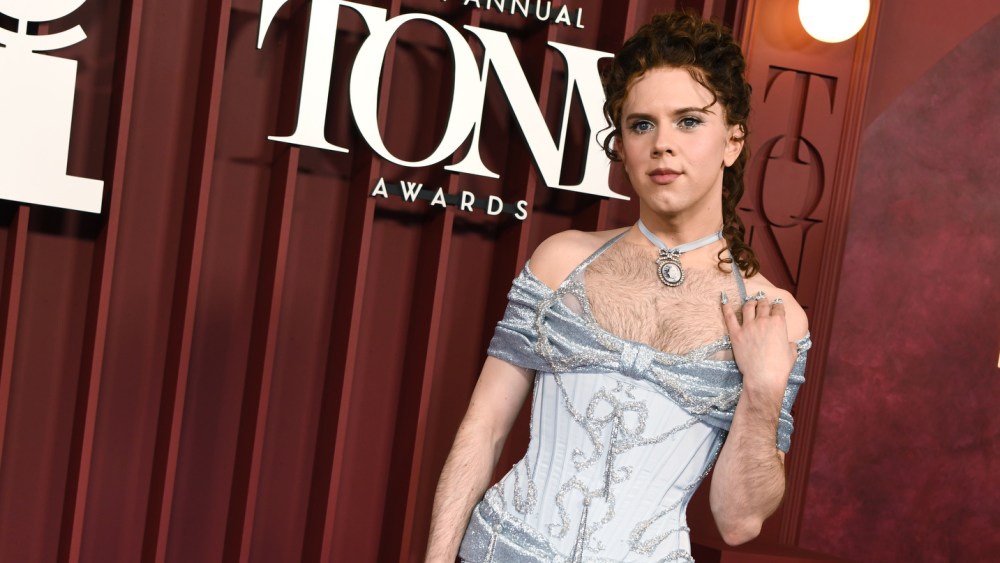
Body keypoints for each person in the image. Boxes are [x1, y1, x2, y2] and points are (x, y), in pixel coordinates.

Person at [426, 11, 810, 562]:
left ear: (732, 141)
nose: (662, 144)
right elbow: (483, 428)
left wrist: (764, 390)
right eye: (642, 124)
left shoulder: (775, 317)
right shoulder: (561, 262)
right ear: (622, 147)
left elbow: (738, 522)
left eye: (689, 121)